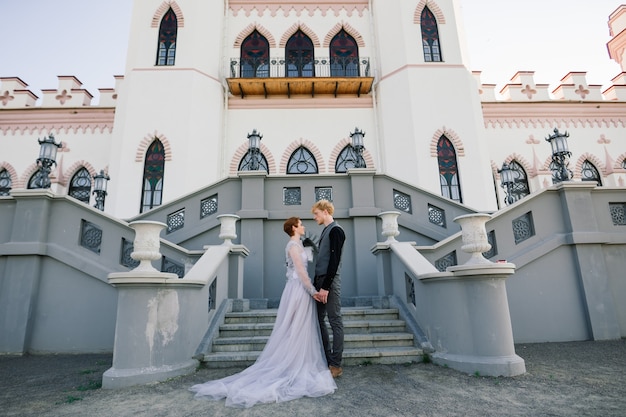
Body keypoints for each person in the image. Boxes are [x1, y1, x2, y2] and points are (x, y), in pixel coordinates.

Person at [189, 217, 336, 408]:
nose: (304, 226)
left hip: (300, 290)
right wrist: (313, 292)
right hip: (298, 291)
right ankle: (290, 365)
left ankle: (295, 363)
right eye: (301, 224)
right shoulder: (292, 245)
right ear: (294, 228)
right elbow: (300, 272)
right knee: (293, 328)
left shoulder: (298, 244)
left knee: (300, 329)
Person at [311, 199, 346, 378]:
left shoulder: (336, 230)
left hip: (329, 283)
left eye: (316, 213)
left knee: (335, 320)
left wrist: (325, 287)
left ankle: (336, 364)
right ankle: (325, 359)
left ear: (325, 211)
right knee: (318, 320)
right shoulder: (325, 230)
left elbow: (334, 261)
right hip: (320, 281)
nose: (315, 217)